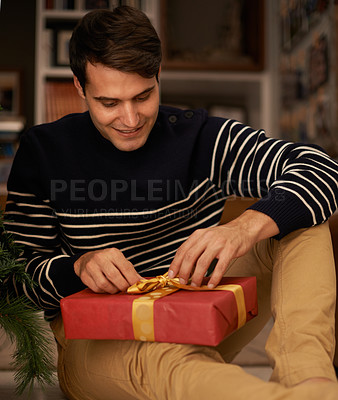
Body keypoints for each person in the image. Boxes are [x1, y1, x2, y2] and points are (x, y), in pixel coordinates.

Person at [4, 6, 338, 400]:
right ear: (80, 87)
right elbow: (16, 278)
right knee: (167, 362)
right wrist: (80, 267)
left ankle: (310, 384)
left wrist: (244, 227)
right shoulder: (44, 152)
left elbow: (321, 167)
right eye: (109, 103)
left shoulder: (198, 136)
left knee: (302, 218)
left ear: (158, 74)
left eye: (143, 96)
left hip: (197, 315)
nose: (129, 119)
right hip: (99, 342)